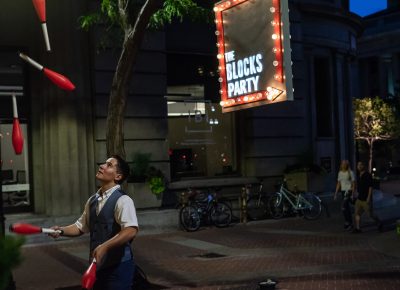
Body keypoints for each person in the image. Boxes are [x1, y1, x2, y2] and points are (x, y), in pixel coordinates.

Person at [50, 155, 138, 290]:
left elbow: (131, 230)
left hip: (119, 268)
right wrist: (61, 230)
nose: (102, 166)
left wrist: (105, 246)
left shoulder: (124, 200)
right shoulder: (92, 200)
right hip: (97, 267)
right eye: (104, 163)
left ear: (118, 176)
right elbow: (80, 227)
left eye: (109, 165)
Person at [334, 160, 356, 231]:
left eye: (344, 164)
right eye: (342, 164)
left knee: (343, 207)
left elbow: (353, 184)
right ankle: (350, 223)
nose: (343, 165)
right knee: (346, 208)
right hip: (343, 191)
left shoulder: (350, 173)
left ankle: (348, 222)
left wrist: (352, 193)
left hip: (348, 191)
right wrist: (336, 193)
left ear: (347, 165)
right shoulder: (340, 173)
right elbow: (339, 184)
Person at [353, 161, 373, 233]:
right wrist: (355, 193)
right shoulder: (359, 176)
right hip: (359, 198)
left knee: (371, 215)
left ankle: (379, 223)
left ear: (363, 166)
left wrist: (368, 197)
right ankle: (358, 228)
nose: (359, 166)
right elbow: (358, 186)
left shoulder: (367, 175)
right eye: (358, 165)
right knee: (357, 213)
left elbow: (370, 187)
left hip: (365, 198)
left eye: (361, 165)